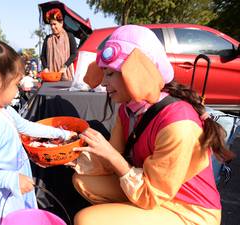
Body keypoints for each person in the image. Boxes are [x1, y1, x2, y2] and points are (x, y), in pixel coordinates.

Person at [71, 25, 235, 225]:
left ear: (139, 72)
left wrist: (112, 156)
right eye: (104, 72)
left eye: (111, 73)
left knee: (86, 220)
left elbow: (148, 192)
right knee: (82, 181)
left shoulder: (178, 125)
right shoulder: (128, 109)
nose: (104, 82)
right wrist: (68, 156)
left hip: (190, 212)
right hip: (156, 193)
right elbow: (108, 161)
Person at [0, 38, 76, 225]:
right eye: (16, 84)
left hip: (15, 188)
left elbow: (27, 126)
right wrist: (10, 179)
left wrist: (62, 134)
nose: (18, 91)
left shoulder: (4, 110)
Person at [40, 8, 77, 81]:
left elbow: (74, 54)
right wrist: (46, 68)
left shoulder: (69, 36)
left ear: (61, 23)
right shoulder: (48, 39)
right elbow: (42, 56)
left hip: (66, 75)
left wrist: (65, 66)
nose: (52, 27)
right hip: (51, 75)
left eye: (54, 24)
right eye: (51, 25)